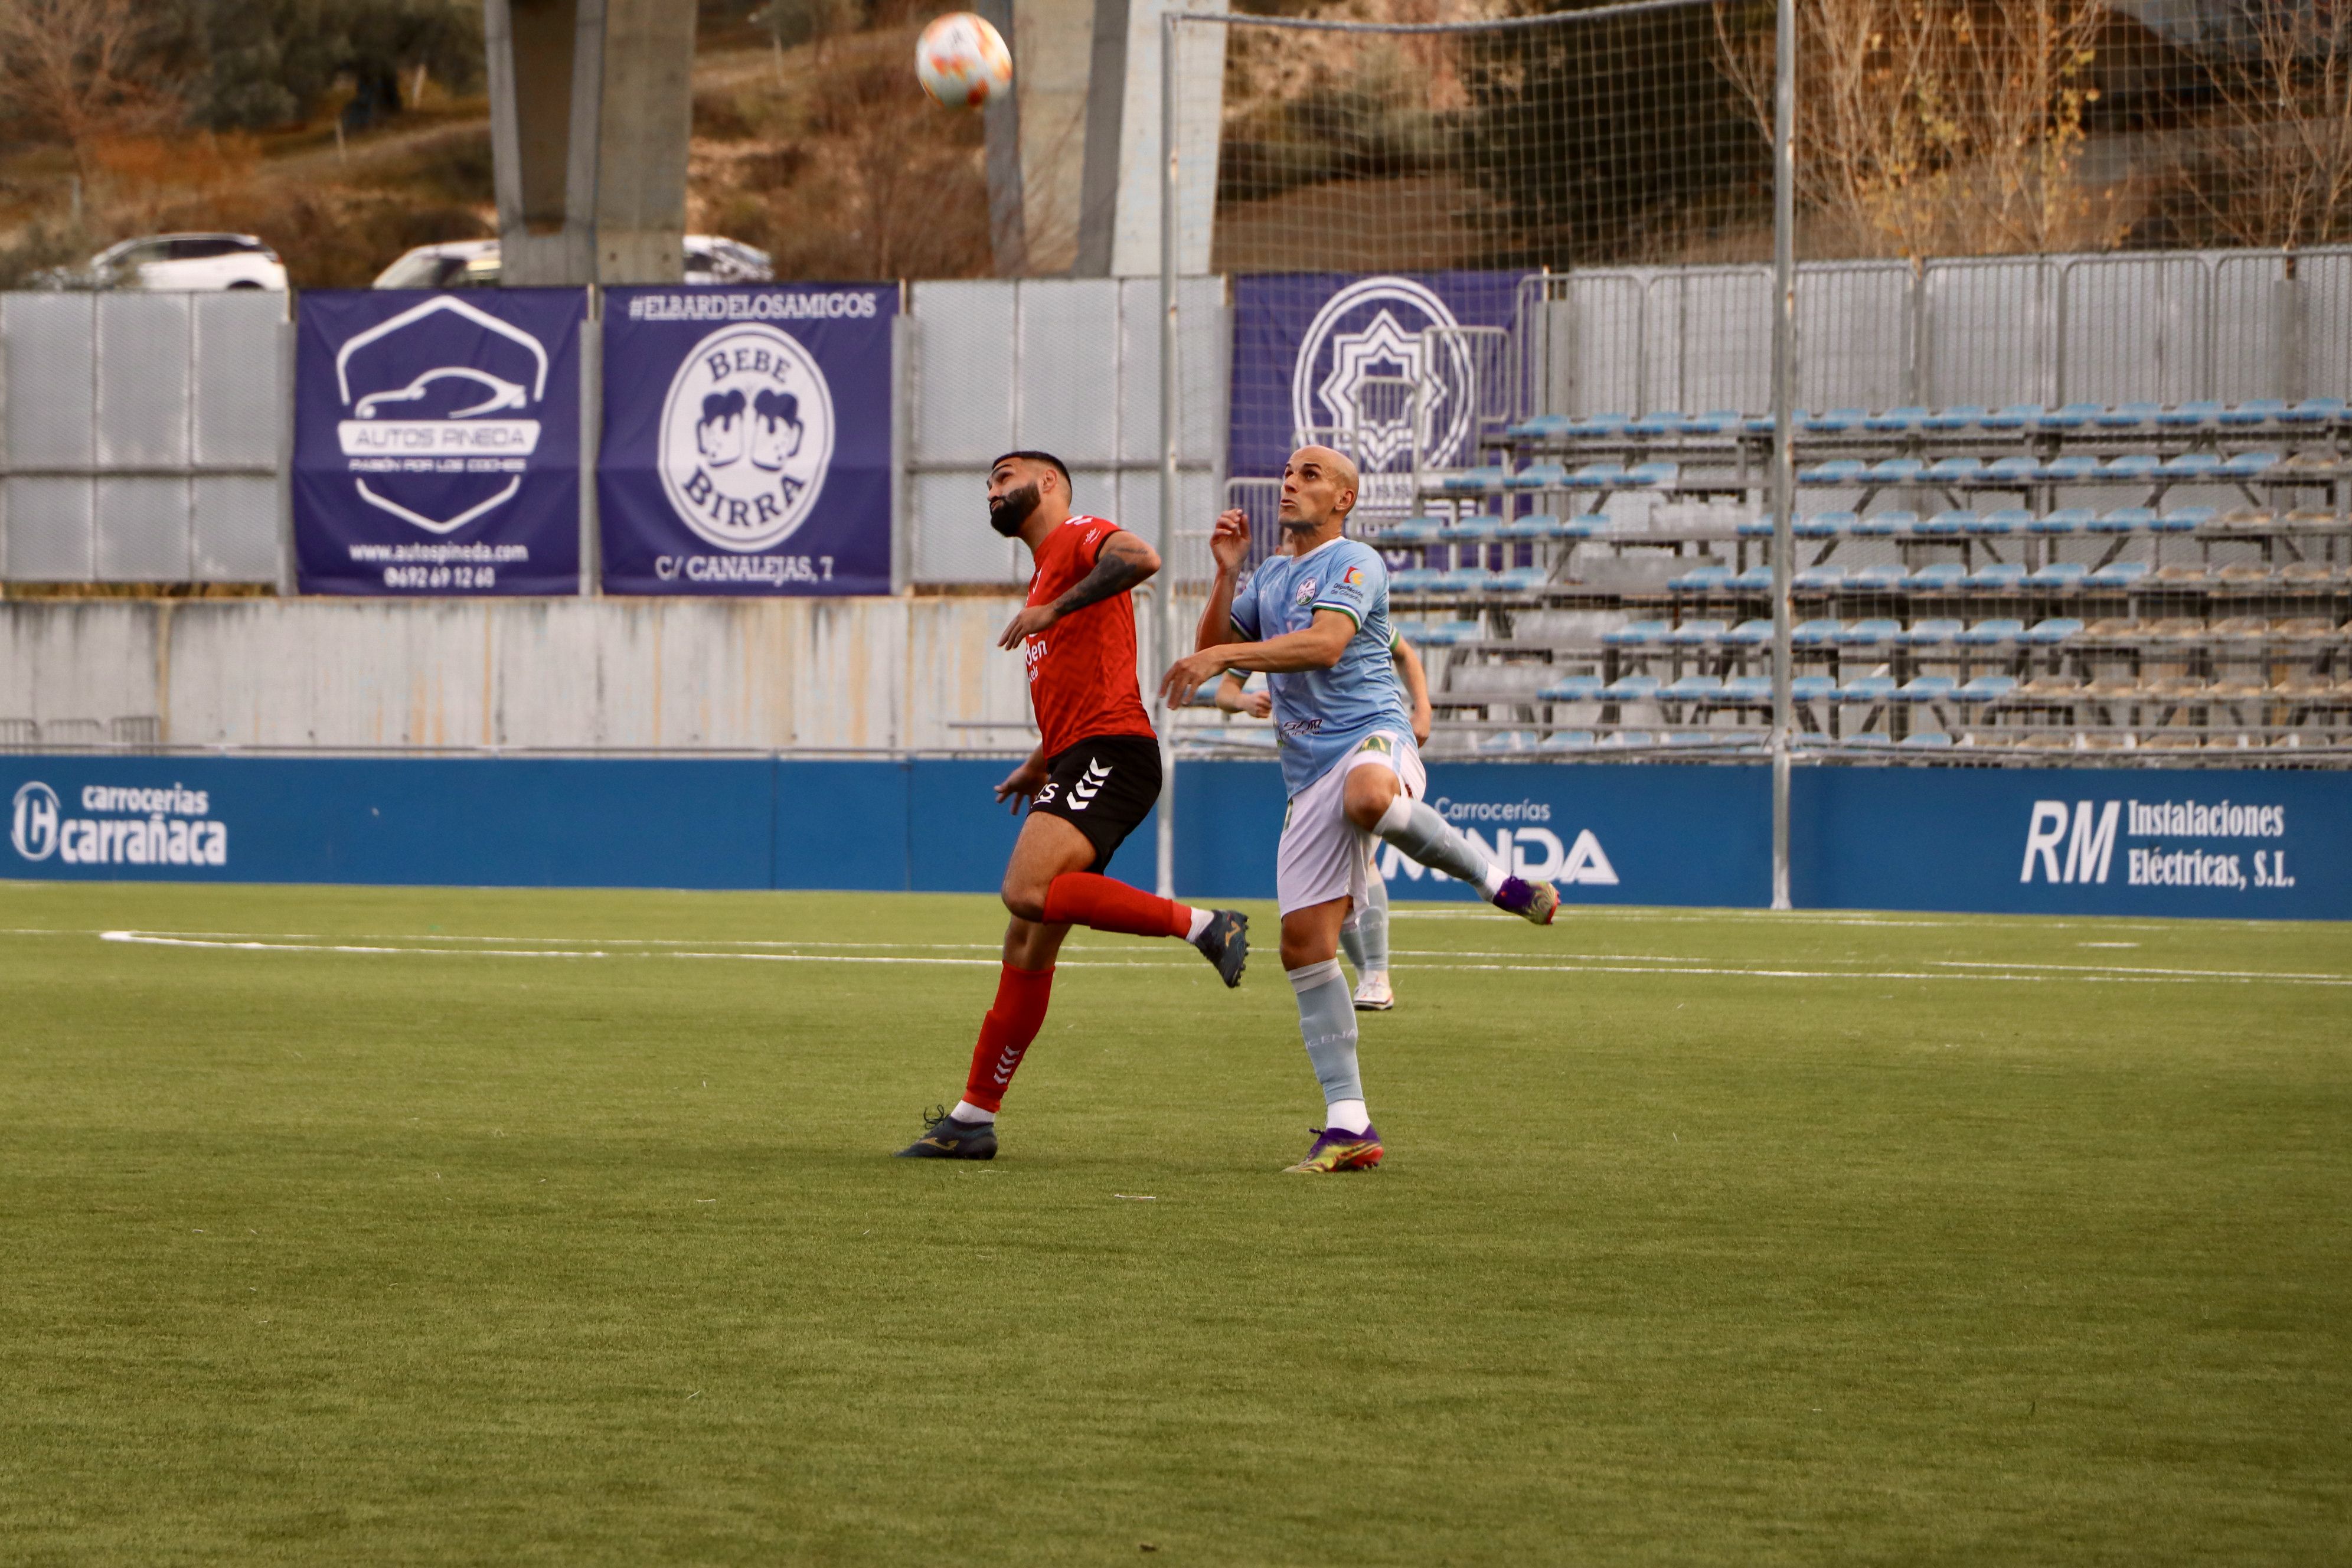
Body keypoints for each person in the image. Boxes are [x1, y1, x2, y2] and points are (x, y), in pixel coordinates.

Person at [1161, 446, 1559, 1174]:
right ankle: (1349, 1124)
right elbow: (1220, 647)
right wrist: (1225, 574)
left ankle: (1491, 879)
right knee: (1303, 946)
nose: (1290, 482)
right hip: (1305, 772)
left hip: (1374, 733)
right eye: (1286, 472)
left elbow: (1327, 644)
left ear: (1344, 498)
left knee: (1371, 795)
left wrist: (1221, 662)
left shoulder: (1358, 561)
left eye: (1309, 475)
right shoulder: (1272, 574)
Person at [897, 450, 1249, 1161]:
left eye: (1003, 477)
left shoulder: (1078, 535)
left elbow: (1142, 556)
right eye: (988, 483)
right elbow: (1078, 680)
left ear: (1049, 483)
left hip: (1112, 753)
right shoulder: (1048, 568)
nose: (992, 490)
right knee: (1025, 943)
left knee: (1025, 892)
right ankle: (972, 1118)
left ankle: (1206, 924)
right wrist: (1040, 761)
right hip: (1079, 755)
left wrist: (1051, 607)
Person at [1216, 617, 1429, 1012]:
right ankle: (1370, 976)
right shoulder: (1267, 617)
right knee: (1345, 870)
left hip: (1360, 742)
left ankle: (1375, 977)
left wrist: (1423, 710)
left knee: (1360, 857)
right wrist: (1246, 702)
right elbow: (1226, 691)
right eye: (1281, 548)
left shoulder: (1344, 611)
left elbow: (1406, 655)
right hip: (1310, 763)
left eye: (1289, 547)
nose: (1286, 552)